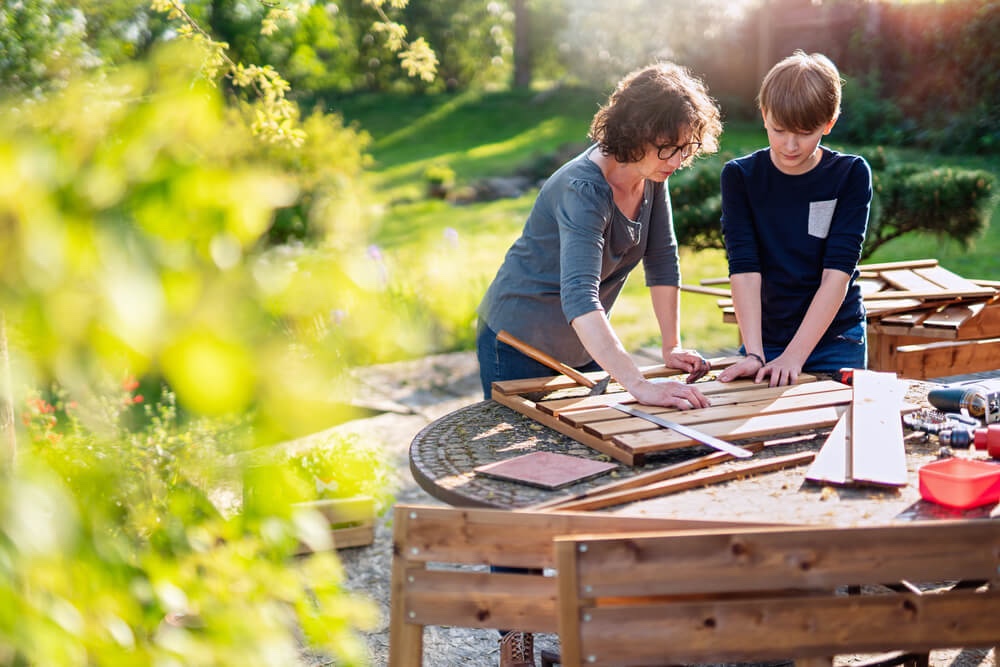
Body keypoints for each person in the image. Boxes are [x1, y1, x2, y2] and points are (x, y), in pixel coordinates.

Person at [474, 61, 722, 667]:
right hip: (516, 344)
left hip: (583, 351)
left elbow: (663, 261)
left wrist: (670, 346)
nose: (678, 159)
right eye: (669, 146)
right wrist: (637, 384)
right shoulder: (584, 189)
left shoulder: (652, 178)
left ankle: (585, 630)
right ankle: (515, 642)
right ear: (635, 131)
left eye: (686, 148)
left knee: (589, 481)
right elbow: (579, 297)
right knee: (520, 492)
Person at [717, 50, 872, 388]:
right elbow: (744, 268)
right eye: (779, 129)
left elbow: (837, 273)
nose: (789, 145)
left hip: (836, 342)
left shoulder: (850, 175)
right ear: (764, 115)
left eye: (804, 132)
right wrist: (754, 353)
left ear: (829, 123)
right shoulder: (740, 177)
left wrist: (794, 356)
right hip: (764, 341)